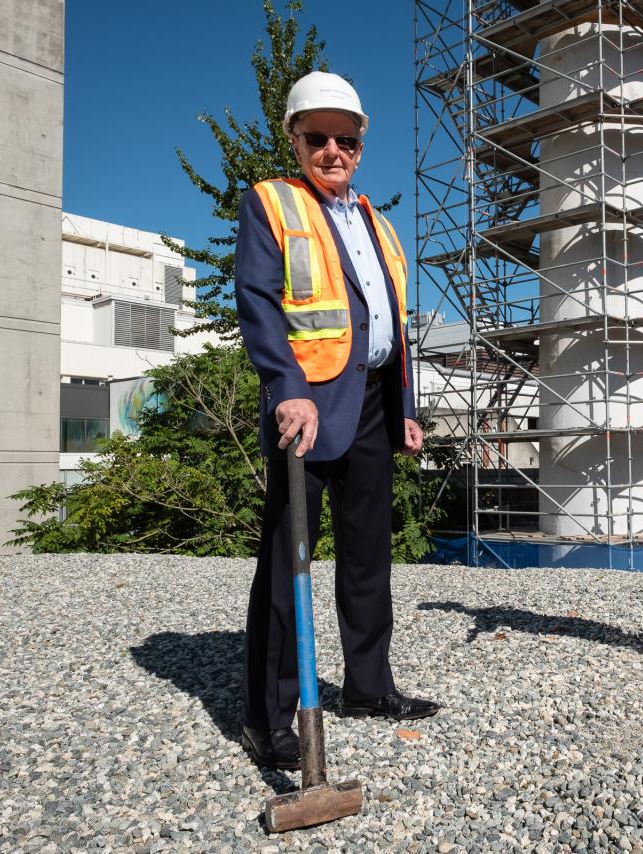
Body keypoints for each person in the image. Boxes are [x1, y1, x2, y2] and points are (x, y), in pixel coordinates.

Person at [234, 71, 439, 770]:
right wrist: (284, 388)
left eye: (343, 139)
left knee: (367, 558)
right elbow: (259, 301)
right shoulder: (273, 204)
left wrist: (405, 407)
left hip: (375, 406)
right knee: (288, 561)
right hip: (307, 410)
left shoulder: (379, 223)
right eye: (316, 137)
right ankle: (268, 716)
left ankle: (369, 687)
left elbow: (395, 324)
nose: (331, 149)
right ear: (294, 140)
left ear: (358, 146)